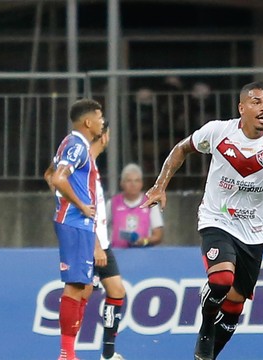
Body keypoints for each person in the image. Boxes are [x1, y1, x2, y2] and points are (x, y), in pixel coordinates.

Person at [140, 81, 263, 360]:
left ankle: (206, 357)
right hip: (217, 219)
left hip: (254, 232)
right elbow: (182, 148)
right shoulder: (218, 131)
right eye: (256, 102)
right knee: (221, 280)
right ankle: (206, 326)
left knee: (233, 308)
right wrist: (160, 185)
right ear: (241, 108)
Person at [43, 98, 104, 360]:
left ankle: (70, 351)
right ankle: (66, 354)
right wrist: (80, 204)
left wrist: (63, 201)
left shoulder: (71, 144)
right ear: (88, 122)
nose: (102, 122)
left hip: (78, 223)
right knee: (76, 285)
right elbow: (57, 178)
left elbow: (49, 175)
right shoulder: (77, 145)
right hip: (75, 222)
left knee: (85, 286)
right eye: (100, 117)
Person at [90, 122, 127, 360]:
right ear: (102, 137)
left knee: (116, 291)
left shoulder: (92, 165)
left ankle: (107, 354)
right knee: (81, 295)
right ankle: (67, 351)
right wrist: (95, 246)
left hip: (101, 242)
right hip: (91, 244)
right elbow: (84, 209)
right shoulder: (84, 166)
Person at [108, 163, 164, 248]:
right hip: (117, 253)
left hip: (143, 254)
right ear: (122, 183)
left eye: (137, 181)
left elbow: (158, 236)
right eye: (129, 181)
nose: (133, 184)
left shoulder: (151, 203)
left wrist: (144, 241)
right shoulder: (112, 203)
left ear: (141, 183)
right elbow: (99, 227)